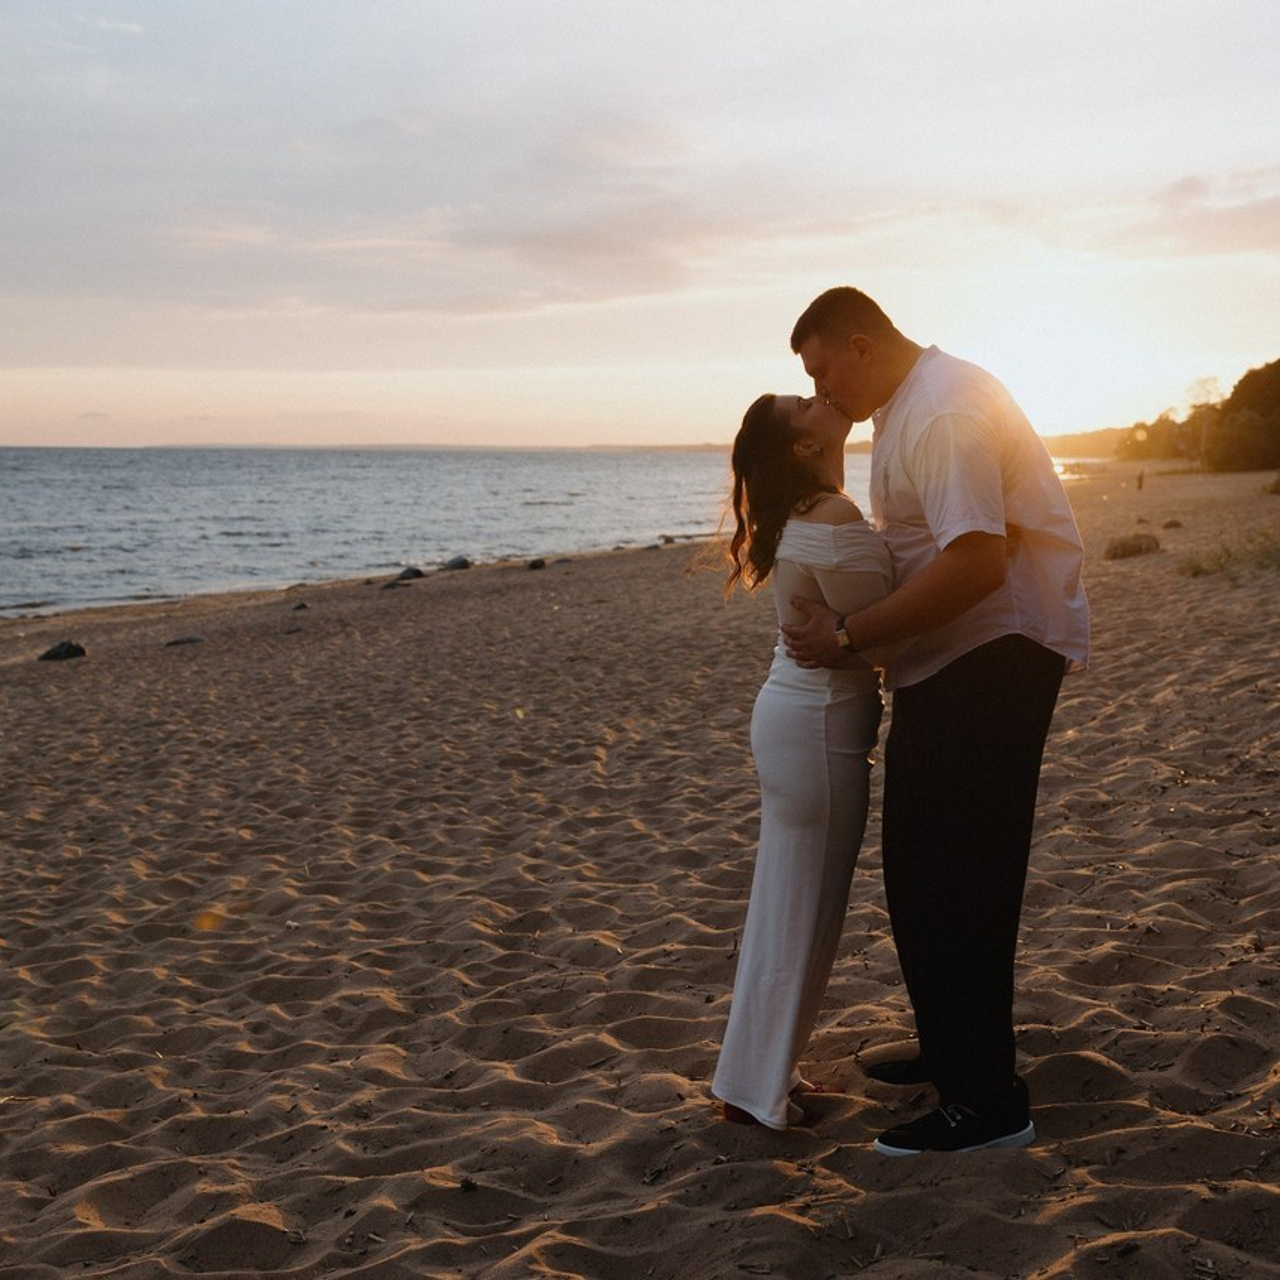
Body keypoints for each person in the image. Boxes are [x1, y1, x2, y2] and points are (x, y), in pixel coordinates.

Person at [783, 287, 1090, 1156]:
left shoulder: (945, 410)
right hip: (955, 659)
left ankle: (986, 1103)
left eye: (820, 371)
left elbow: (977, 563)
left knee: (955, 876)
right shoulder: (910, 405)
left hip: (992, 656)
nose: (822, 390)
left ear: (859, 345)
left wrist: (847, 636)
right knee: (925, 871)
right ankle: (953, 1047)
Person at [711, 392, 894, 1129]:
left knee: (788, 905)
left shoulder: (810, 519)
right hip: (817, 725)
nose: (820, 397)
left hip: (800, 717)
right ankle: (759, 1094)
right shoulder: (832, 521)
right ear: (801, 447)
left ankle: (753, 1080)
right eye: (802, 403)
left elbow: (859, 626)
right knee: (804, 910)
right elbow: (889, 641)